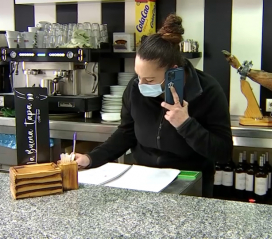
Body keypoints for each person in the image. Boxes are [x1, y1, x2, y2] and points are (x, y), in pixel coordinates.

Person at [74, 14, 233, 197]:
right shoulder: (135, 87)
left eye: (149, 80)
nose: (140, 84)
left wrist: (186, 124)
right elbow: (126, 133)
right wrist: (91, 158)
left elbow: (223, 152)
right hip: (144, 179)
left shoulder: (207, 90)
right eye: (138, 76)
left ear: (173, 72)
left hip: (190, 181)